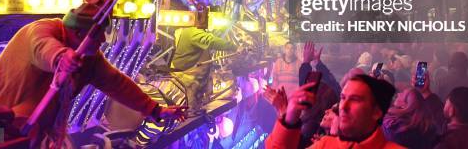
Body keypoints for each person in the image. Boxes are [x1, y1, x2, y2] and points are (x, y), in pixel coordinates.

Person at [0, 3, 186, 141]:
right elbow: (42, 47)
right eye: (98, 35)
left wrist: (156, 110)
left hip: (28, 130)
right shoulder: (40, 30)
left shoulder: (89, 59)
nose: (102, 41)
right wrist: (61, 57)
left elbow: (117, 83)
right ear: (76, 33)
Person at [265, 74, 404, 148]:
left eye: (355, 99)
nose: (343, 106)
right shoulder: (325, 145)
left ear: (377, 112)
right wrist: (289, 119)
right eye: (343, 98)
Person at [169, 13, 238, 113]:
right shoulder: (194, 33)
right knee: (188, 107)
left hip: (191, 78)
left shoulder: (189, 31)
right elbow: (211, 41)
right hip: (187, 77)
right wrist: (233, 46)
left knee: (192, 102)